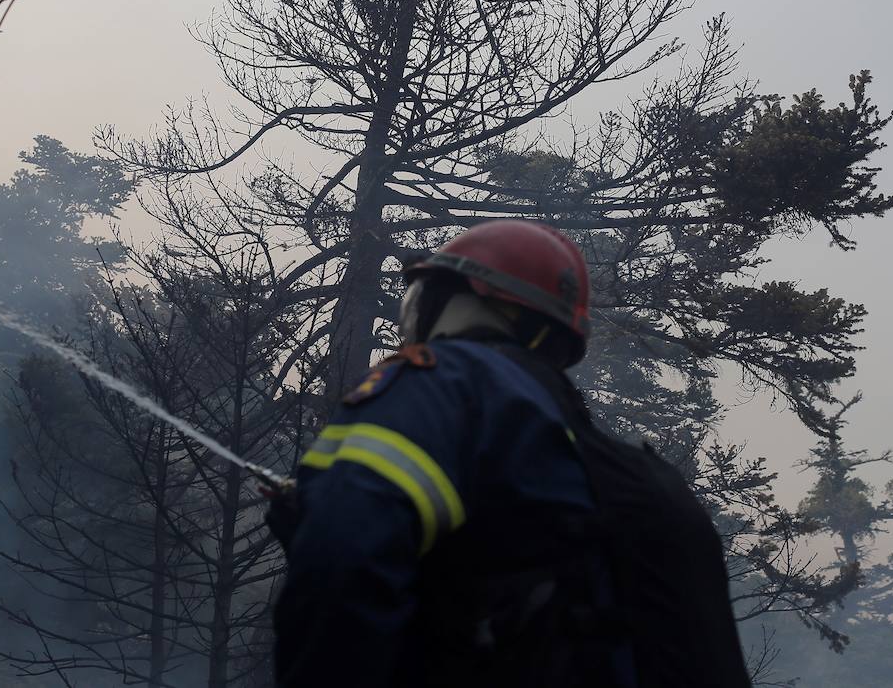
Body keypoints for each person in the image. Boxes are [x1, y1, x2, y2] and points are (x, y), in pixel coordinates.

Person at [270, 219, 751, 688]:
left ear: (466, 296)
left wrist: (323, 519)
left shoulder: (439, 382)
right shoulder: (563, 432)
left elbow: (343, 559)